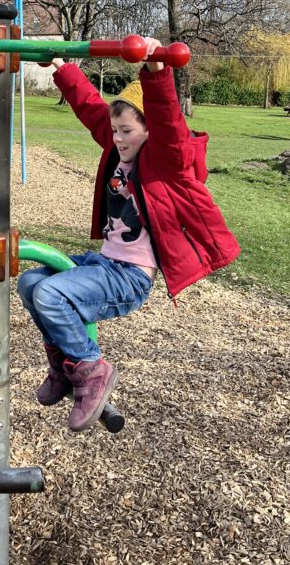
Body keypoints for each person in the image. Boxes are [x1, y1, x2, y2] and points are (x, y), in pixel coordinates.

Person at [17, 39, 241, 432]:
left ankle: (91, 369)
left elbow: (169, 122)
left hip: (131, 276)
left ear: (148, 131)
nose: (118, 138)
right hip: (106, 261)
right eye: (116, 130)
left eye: (127, 131)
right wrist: (62, 68)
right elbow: (91, 110)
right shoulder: (117, 147)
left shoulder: (164, 161)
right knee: (31, 281)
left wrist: (156, 72)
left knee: (51, 294)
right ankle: (64, 365)